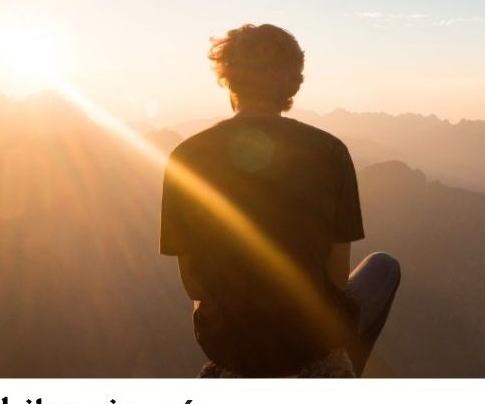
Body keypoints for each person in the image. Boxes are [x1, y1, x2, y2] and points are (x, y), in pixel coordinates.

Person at [159, 23, 400, 377]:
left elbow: (194, 285)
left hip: (229, 345)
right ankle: (343, 366)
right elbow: (335, 278)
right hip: (309, 343)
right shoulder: (331, 152)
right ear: (292, 82)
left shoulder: (185, 157)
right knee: (384, 267)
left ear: (228, 78)